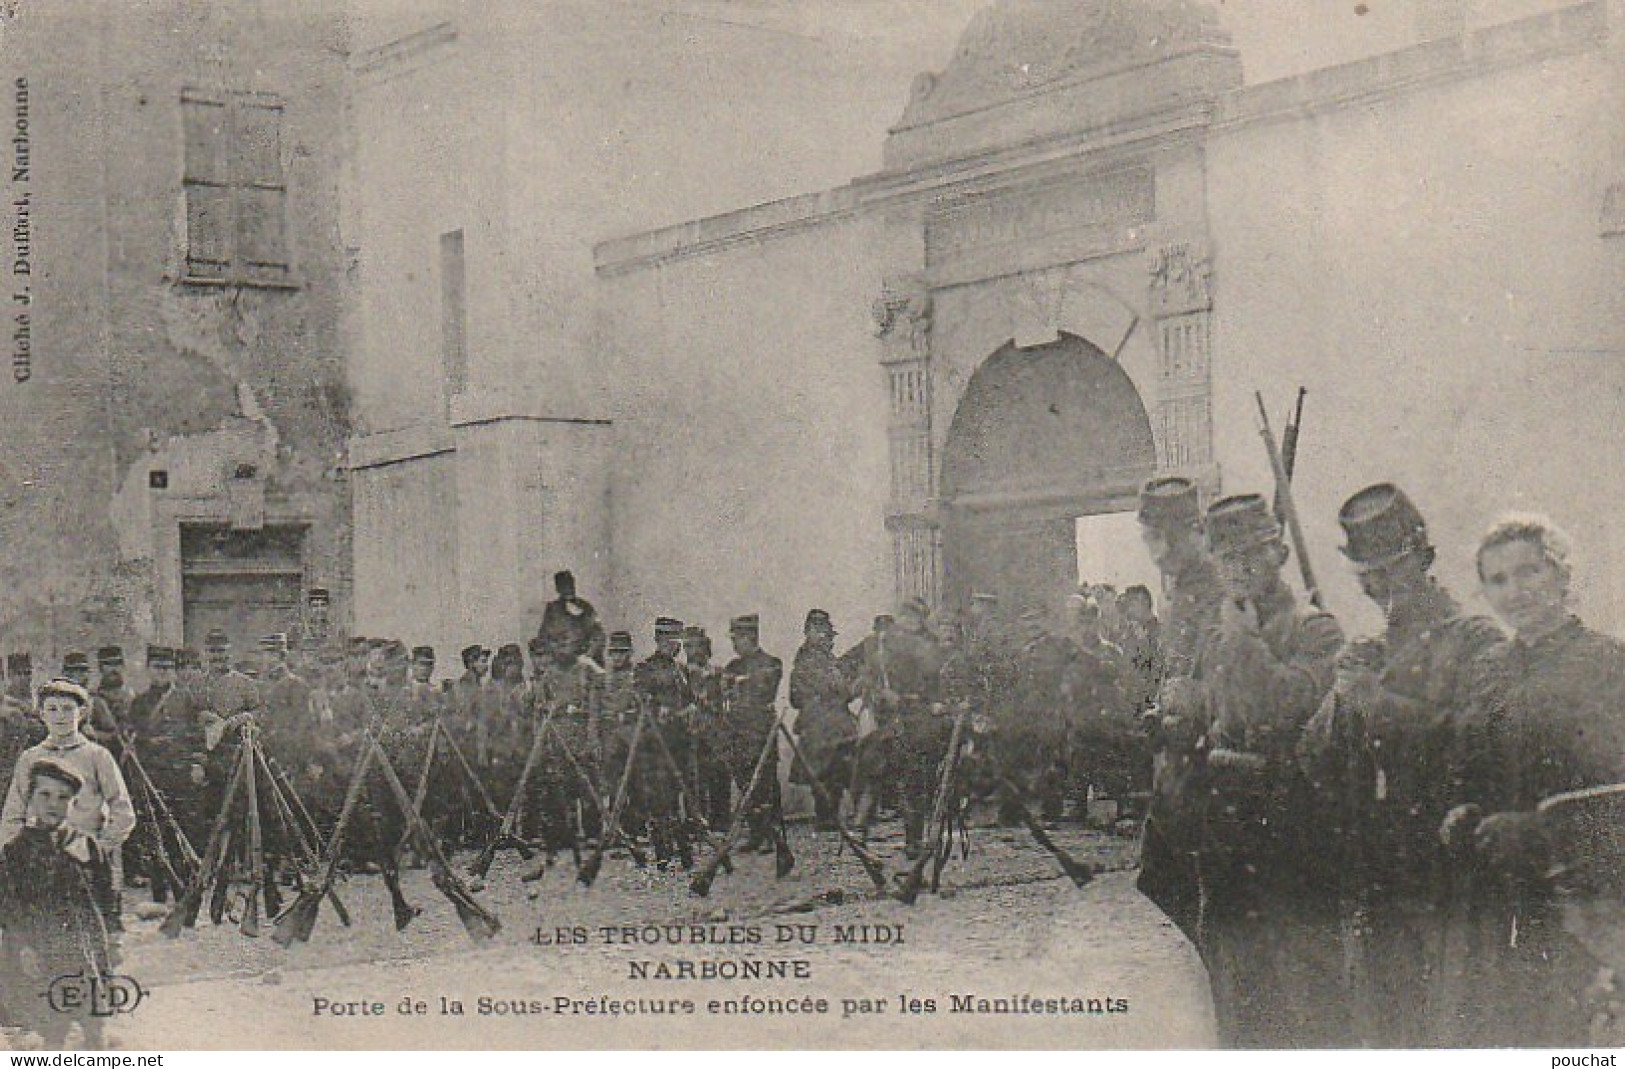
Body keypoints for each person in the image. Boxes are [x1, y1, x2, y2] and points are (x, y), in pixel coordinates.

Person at [1298, 484, 1504, 1047]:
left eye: (1393, 572)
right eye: (1370, 579)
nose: (1381, 589)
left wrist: (1376, 704)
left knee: (1450, 1027)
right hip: (1374, 869)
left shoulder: (1476, 641)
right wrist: (1341, 698)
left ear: (1425, 560)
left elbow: (1477, 744)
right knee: (1382, 1028)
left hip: (1446, 869)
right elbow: (1314, 760)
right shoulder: (1370, 649)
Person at [1437, 515, 1625, 1045]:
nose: (1515, 591)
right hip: (1497, 899)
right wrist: (1464, 809)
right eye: (1497, 580)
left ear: (1561, 576)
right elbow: (1470, 764)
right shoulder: (1487, 668)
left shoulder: (1607, 664)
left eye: (1529, 572)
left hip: (1584, 901)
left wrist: (1540, 832)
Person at [1194, 493, 1348, 1048]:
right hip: (1228, 836)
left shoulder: (1316, 630)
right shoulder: (1221, 634)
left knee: (1305, 991)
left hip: (1292, 830)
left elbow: (1283, 709)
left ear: (1278, 553)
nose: (1239, 571)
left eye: (1252, 556)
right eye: (1227, 560)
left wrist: (1243, 643)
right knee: (1235, 988)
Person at [1134, 475, 1222, 951]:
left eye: (1163, 537)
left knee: (1199, 889)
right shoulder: (1183, 587)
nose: (1156, 550)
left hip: (1208, 761)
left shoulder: (1215, 586)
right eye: (1151, 537)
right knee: (1166, 878)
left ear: (1193, 531)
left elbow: (1224, 675)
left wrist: (1189, 705)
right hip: (1178, 759)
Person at [0, 679, 136, 936]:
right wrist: (11, 857)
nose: (60, 716)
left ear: (81, 713)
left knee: (93, 943)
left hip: (86, 865)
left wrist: (99, 848)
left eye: (67, 708)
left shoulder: (97, 756)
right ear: (41, 714)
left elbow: (123, 812)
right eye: (52, 709)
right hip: (39, 864)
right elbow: (12, 814)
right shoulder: (30, 758)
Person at [0, 760, 115, 1050]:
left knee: (95, 1027)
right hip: (42, 954)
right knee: (52, 1032)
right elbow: (10, 907)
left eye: (63, 797)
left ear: (74, 803)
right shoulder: (16, 852)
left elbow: (106, 897)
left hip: (85, 953)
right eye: (45, 795)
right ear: (30, 798)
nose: (54, 804)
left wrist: (112, 940)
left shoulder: (87, 846)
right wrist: (24, 947)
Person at [789, 609, 856, 830]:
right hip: (817, 722)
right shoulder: (806, 661)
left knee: (836, 769)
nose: (824, 637)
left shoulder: (829, 659)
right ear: (808, 632)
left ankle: (830, 814)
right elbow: (796, 696)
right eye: (817, 631)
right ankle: (824, 815)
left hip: (834, 721)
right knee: (820, 769)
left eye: (826, 632)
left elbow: (842, 690)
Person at [536, 570, 604, 666]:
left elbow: (598, 634)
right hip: (559, 662)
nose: (568, 588)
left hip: (582, 661)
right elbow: (544, 637)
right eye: (563, 585)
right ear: (558, 588)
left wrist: (587, 655)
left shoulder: (585, 607)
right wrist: (556, 653)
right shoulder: (552, 610)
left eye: (570, 583)